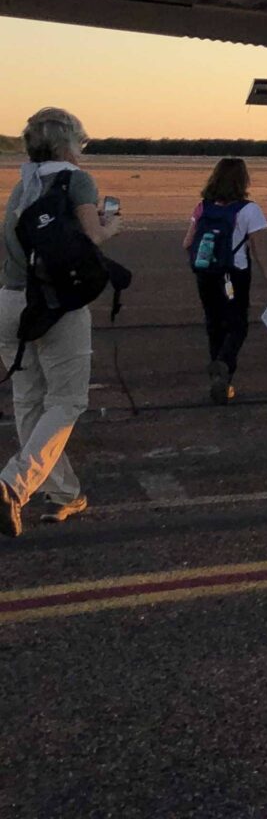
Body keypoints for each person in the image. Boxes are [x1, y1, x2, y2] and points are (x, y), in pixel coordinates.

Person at [0, 107, 120, 535]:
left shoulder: (22, 184)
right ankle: (12, 484)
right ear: (67, 143)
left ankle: (63, 492)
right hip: (55, 305)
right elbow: (93, 235)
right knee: (67, 400)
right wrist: (111, 225)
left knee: (29, 401)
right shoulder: (75, 180)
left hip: (10, 300)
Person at [183, 157, 267, 404]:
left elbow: (187, 243)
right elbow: (258, 251)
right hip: (234, 274)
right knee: (237, 324)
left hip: (205, 274)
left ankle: (218, 378)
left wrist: (202, 261)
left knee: (214, 324)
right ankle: (224, 367)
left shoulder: (202, 207)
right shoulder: (249, 210)